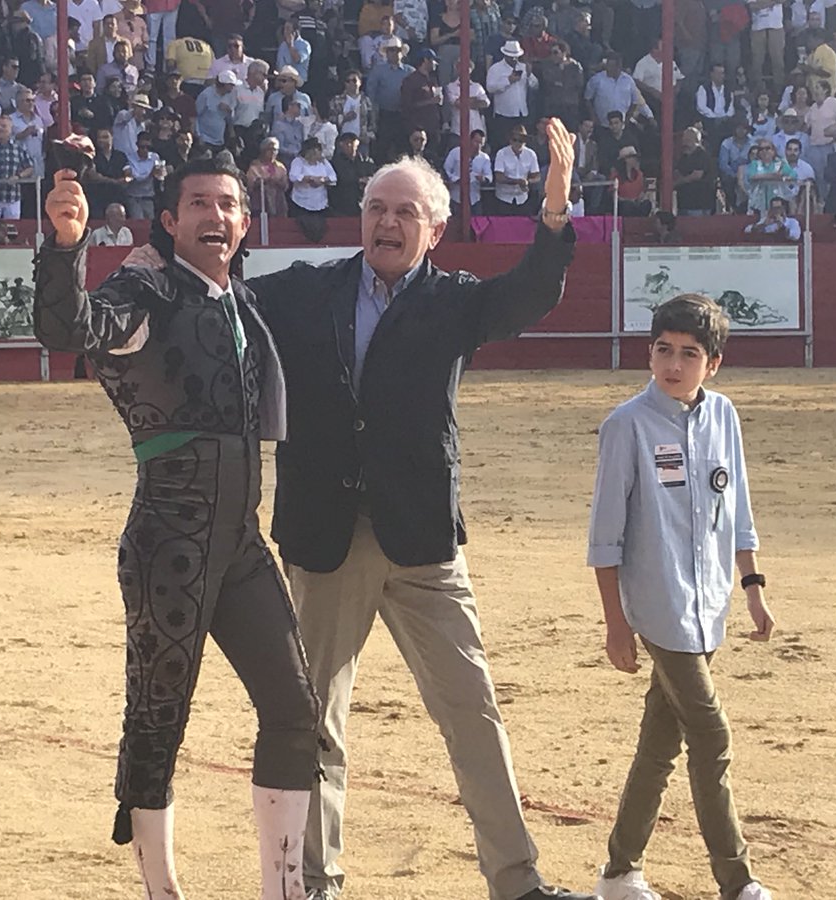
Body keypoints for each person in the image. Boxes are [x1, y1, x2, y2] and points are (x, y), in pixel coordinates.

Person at [238, 117, 593, 900]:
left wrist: (556, 212)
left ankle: (517, 883)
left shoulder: (457, 302)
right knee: (313, 722)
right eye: (375, 208)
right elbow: (221, 293)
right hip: (326, 538)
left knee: (473, 715)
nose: (387, 222)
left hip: (422, 542)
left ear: (434, 229)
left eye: (404, 212)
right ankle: (313, 885)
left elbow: (530, 292)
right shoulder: (306, 291)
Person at [36, 150, 319, 900]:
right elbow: (73, 328)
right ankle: (163, 891)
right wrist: (67, 246)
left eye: (228, 205)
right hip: (171, 542)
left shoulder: (240, 301)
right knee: (159, 717)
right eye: (198, 204)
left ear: (245, 221)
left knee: (295, 711)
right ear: (169, 220)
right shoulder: (146, 289)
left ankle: (283, 891)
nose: (215, 216)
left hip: (239, 543)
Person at [587, 293, 776, 900]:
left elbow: (737, 509)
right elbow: (605, 537)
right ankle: (736, 879)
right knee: (712, 736)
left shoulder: (724, 416)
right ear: (649, 353)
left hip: (709, 605)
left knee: (659, 745)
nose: (673, 365)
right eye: (663, 351)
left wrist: (751, 587)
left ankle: (619, 871)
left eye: (688, 354)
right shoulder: (626, 425)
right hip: (659, 607)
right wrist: (617, 625)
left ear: (712, 363)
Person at [492, 123, 540, 214]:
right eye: (515, 140)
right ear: (510, 140)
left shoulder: (531, 154)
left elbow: (537, 176)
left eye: (521, 140)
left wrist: (527, 182)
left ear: (525, 141)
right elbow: (499, 177)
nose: (518, 143)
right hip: (503, 199)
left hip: (523, 199)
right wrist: (518, 181)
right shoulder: (501, 153)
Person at [444, 127, 493, 214]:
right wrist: (456, 179)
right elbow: (446, 170)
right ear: (469, 140)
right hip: (456, 198)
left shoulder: (484, 158)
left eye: (481, 143)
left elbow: (489, 176)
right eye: (476, 142)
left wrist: (483, 179)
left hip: (474, 199)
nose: (478, 146)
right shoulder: (455, 152)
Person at [288, 136, 336, 217]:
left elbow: (334, 177)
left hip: (320, 202)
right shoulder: (298, 162)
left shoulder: (324, 162)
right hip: (301, 202)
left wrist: (322, 180)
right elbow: (293, 176)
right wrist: (310, 179)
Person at [328, 131, 374, 215]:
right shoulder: (336, 162)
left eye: (352, 142)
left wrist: (369, 179)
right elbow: (340, 178)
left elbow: (373, 173)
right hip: (343, 202)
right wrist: (358, 180)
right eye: (347, 143)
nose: (350, 145)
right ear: (341, 145)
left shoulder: (365, 160)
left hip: (363, 200)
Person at [245, 135, 289, 216]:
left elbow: (285, 186)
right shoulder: (255, 166)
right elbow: (249, 186)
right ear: (263, 150)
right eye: (270, 149)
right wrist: (263, 182)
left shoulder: (281, 167)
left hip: (278, 203)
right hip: (260, 204)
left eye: (275, 150)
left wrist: (277, 182)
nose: (273, 152)